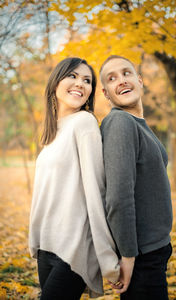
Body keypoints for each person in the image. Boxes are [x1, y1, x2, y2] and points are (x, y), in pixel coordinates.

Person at [29, 57, 120, 300]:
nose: (80, 83)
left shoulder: (84, 122)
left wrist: (107, 256)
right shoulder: (52, 131)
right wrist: (34, 237)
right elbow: (44, 193)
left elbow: (97, 191)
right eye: (72, 76)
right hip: (47, 244)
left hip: (75, 247)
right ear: (55, 81)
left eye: (87, 80)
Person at [99, 55, 173, 300]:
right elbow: (118, 197)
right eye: (112, 78)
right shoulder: (120, 122)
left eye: (126, 73)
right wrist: (128, 256)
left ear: (140, 81)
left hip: (155, 251)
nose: (121, 80)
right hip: (142, 258)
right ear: (106, 93)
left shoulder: (137, 123)